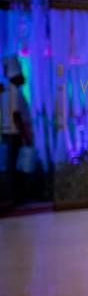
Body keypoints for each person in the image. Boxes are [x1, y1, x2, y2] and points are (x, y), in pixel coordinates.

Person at [1, 55, 33, 207]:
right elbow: (16, 116)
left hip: (8, 134)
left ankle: (13, 197)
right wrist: (26, 136)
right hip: (15, 134)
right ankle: (16, 198)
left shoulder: (7, 91)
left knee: (11, 167)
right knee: (16, 168)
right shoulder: (14, 92)